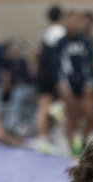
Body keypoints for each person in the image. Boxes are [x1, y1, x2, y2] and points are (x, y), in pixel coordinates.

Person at [55, 10, 93, 157]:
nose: (73, 23)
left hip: (84, 83)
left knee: (89, 113)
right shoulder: (62, 42)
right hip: (69, 83)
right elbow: (59, 65)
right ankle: (71, 144)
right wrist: (63, 85)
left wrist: (89, 84)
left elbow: (90, 64)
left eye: (76, 20)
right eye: (70, 20)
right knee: (71, 114)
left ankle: (86, 141)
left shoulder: (86, 41)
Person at [33, 5, 65, 154]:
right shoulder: (60, 32)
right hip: (52, 74)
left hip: (44, 72)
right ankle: (42, 137)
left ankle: (45, 136)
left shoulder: (44, 32)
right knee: (47, 106)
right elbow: (59, 57)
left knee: (48, 106)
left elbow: (38, 53)